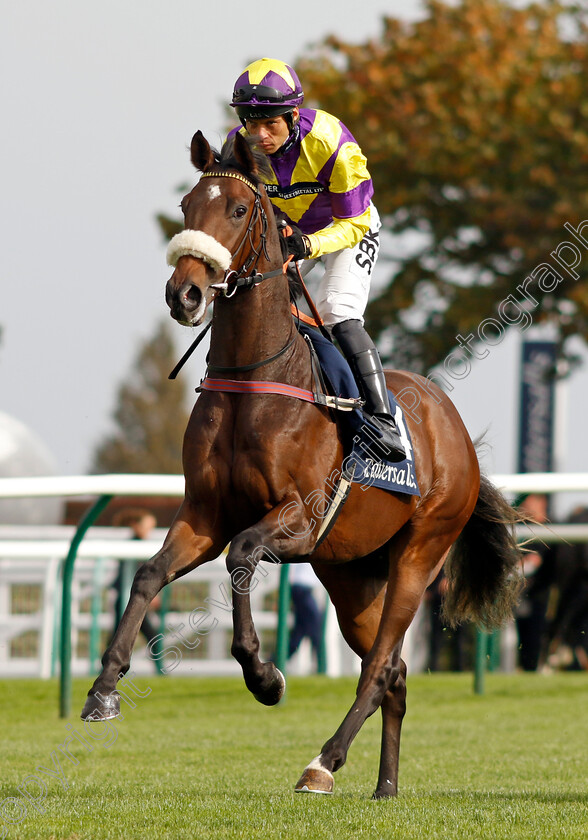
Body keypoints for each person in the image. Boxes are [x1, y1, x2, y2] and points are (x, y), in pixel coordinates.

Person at [229, 57, 405, 461]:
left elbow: (354, 222)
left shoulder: (332, 144)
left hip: (346, 230)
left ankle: (382, 421)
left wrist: (308, 246)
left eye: (269, 124)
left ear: (293, 114)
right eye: (250, 123)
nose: (259, 135)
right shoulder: (237, 147)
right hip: (288, 235)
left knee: (337, 311)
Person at [110, 508, 161, 664]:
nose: (149, 532)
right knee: (151, 637)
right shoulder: (135, 547)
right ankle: (160, 669)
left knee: (117, 639)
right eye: (147, 527)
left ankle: (105, 671)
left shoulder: (137, 545)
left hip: (129, 598)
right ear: (135, 526)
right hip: (130, 599)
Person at [514, 494, 556, 671]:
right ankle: (526, 667)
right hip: (521, 591)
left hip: (544, 592)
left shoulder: (551, 528)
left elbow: (534, 561)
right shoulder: (521, 528)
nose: (524, 506)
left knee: (536, 634)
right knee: (522, 635)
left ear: (541, 503)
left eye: (529, 501)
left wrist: (513, 569)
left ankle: (536, 666)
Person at [287, 563, 324, 671]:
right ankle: (319, 666)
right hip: (301, 589)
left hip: (302, 589)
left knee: (299, 632)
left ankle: (276, 660)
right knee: (315, 626)